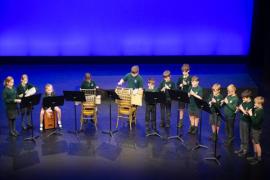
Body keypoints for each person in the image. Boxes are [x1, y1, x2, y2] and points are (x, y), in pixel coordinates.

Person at [234, 89, 253, 157]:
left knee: (245, 136)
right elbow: (242, 112)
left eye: (244, 98)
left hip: (246, 122)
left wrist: (241, 109)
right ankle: (241, 148)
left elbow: (247, 114)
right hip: (242, 120)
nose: (243, 99)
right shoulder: (244, 103)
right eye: (242, 98)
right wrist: (238, 109)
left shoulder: (251, 104)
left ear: (248, 97)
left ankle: (245, 151)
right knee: (241, 136)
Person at [246, 96, 264, 165]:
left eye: (255, 103)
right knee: (253, 142)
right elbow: (254, 119)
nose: (254, 104)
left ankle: (259, 159)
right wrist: (249, 113)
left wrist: (251, 115)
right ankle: (255, 156)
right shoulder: (257, 109)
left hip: (256, 130)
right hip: (253, 129)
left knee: (257, 143)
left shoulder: (260, 112)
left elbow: (255, 122)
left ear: (259, 104)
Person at [176, 64, 192, 128]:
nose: (184, 73)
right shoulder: (180, 78)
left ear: (188, 71)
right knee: (181, 109)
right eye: (183, 71)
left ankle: (191, 124)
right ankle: (180, 122)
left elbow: (192, 86)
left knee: (190, 110)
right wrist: (179, 86)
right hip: (182, 95)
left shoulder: (190, 78)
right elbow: (177, 86)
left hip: (188, 96)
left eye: (185, 71)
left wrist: (187, 85)